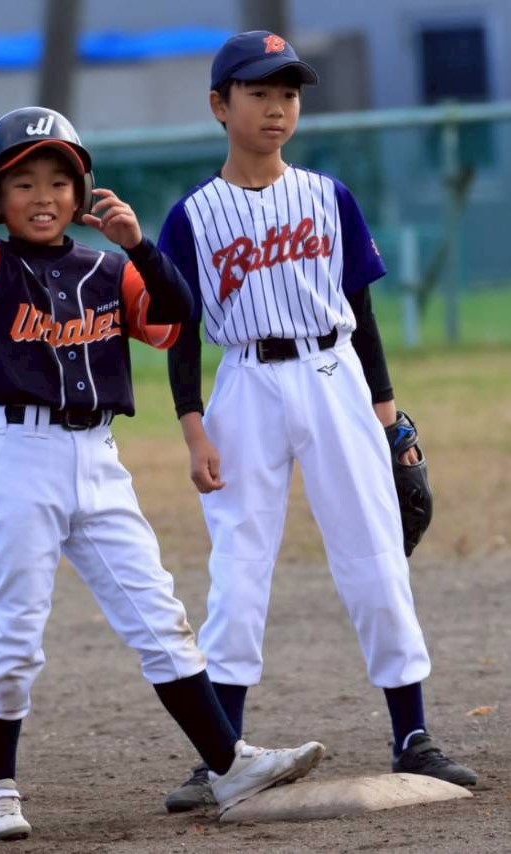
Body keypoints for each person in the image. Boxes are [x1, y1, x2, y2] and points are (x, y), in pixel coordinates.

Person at [0, 101, 325, 842]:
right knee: (16, 630)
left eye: (58, 183)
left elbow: (177, 315)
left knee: (160, 618)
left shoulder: (108, 269)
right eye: (23, 184)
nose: (43, 197)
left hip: (100, 460)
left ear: (81, 193)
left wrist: (140, 247)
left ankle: (227, 763)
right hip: (20, 459)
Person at [156, 31, 479, 813]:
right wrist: (192, 426)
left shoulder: (329, 197)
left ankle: (412, 734)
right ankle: (222, 753)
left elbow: (361, 313)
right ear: (219, 105)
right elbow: (178, 330)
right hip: (243, 382)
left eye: (289, 93)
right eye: (259, 92)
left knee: (373, 549)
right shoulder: (192, 216)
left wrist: (390, 421)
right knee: (239, 563)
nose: (277, 108)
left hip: (333, 374)